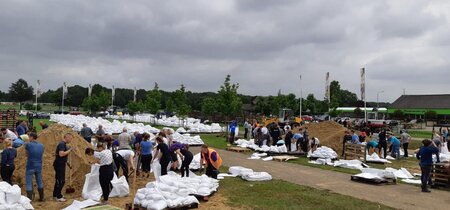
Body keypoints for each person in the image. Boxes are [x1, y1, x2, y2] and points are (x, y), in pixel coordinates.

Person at [53, 133, 73, 202]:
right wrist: (69, 150)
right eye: (70, 138)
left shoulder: (63, 144)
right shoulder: (61, 144)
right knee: (61, 181)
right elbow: (61, 154)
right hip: (59, 164)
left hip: (61, 163)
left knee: (58, 180)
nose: (71, 140)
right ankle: (58, 197)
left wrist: (67, 162)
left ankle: (55, 195)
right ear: (66, 137)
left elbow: (62, 155)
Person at [25, 133, 45, 201]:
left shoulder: (28, 144)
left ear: (32, 137)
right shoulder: (42, 145)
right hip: (39, 165)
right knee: (39, 181)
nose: (28, 138)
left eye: (29, 137)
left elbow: (27, 154)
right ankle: (42, 198)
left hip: (30, 165)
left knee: (28, 182)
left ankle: (29, 200)